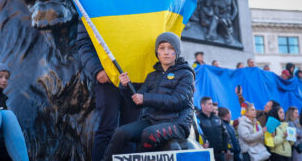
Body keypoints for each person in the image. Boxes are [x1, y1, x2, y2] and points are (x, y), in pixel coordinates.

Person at [102, 32, 195, 160]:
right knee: (120, 132)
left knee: (148, 134)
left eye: (171, 48)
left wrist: (145, 98)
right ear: (157, 53)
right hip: (151, 121)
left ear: (177, 52)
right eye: (162, 48)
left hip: (177, 123)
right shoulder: (152, 76)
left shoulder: (186, 74)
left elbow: (178, 101)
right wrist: (125, 86)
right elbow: (136, 103)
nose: (166, 52)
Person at [77, 23, 140, 160]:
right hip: (107, 81)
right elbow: (84, 44)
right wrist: (97, 70)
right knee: (106, 130)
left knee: (131, 133)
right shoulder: (91, 3)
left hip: (135, 79)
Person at [0, 62, 29, 161]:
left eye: (6, 78)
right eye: (0, 76)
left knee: (8, 115)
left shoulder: (0, 96)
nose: (4, 80)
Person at [197, 97, 228, 161]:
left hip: (220, 153)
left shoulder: (217, 118)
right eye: (209, 104)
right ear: (202, 105)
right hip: (207, 153)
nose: (212, 106)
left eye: (212, 104)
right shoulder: (198, 119)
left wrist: (224, 149)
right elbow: (197, 135)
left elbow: (224, 133)